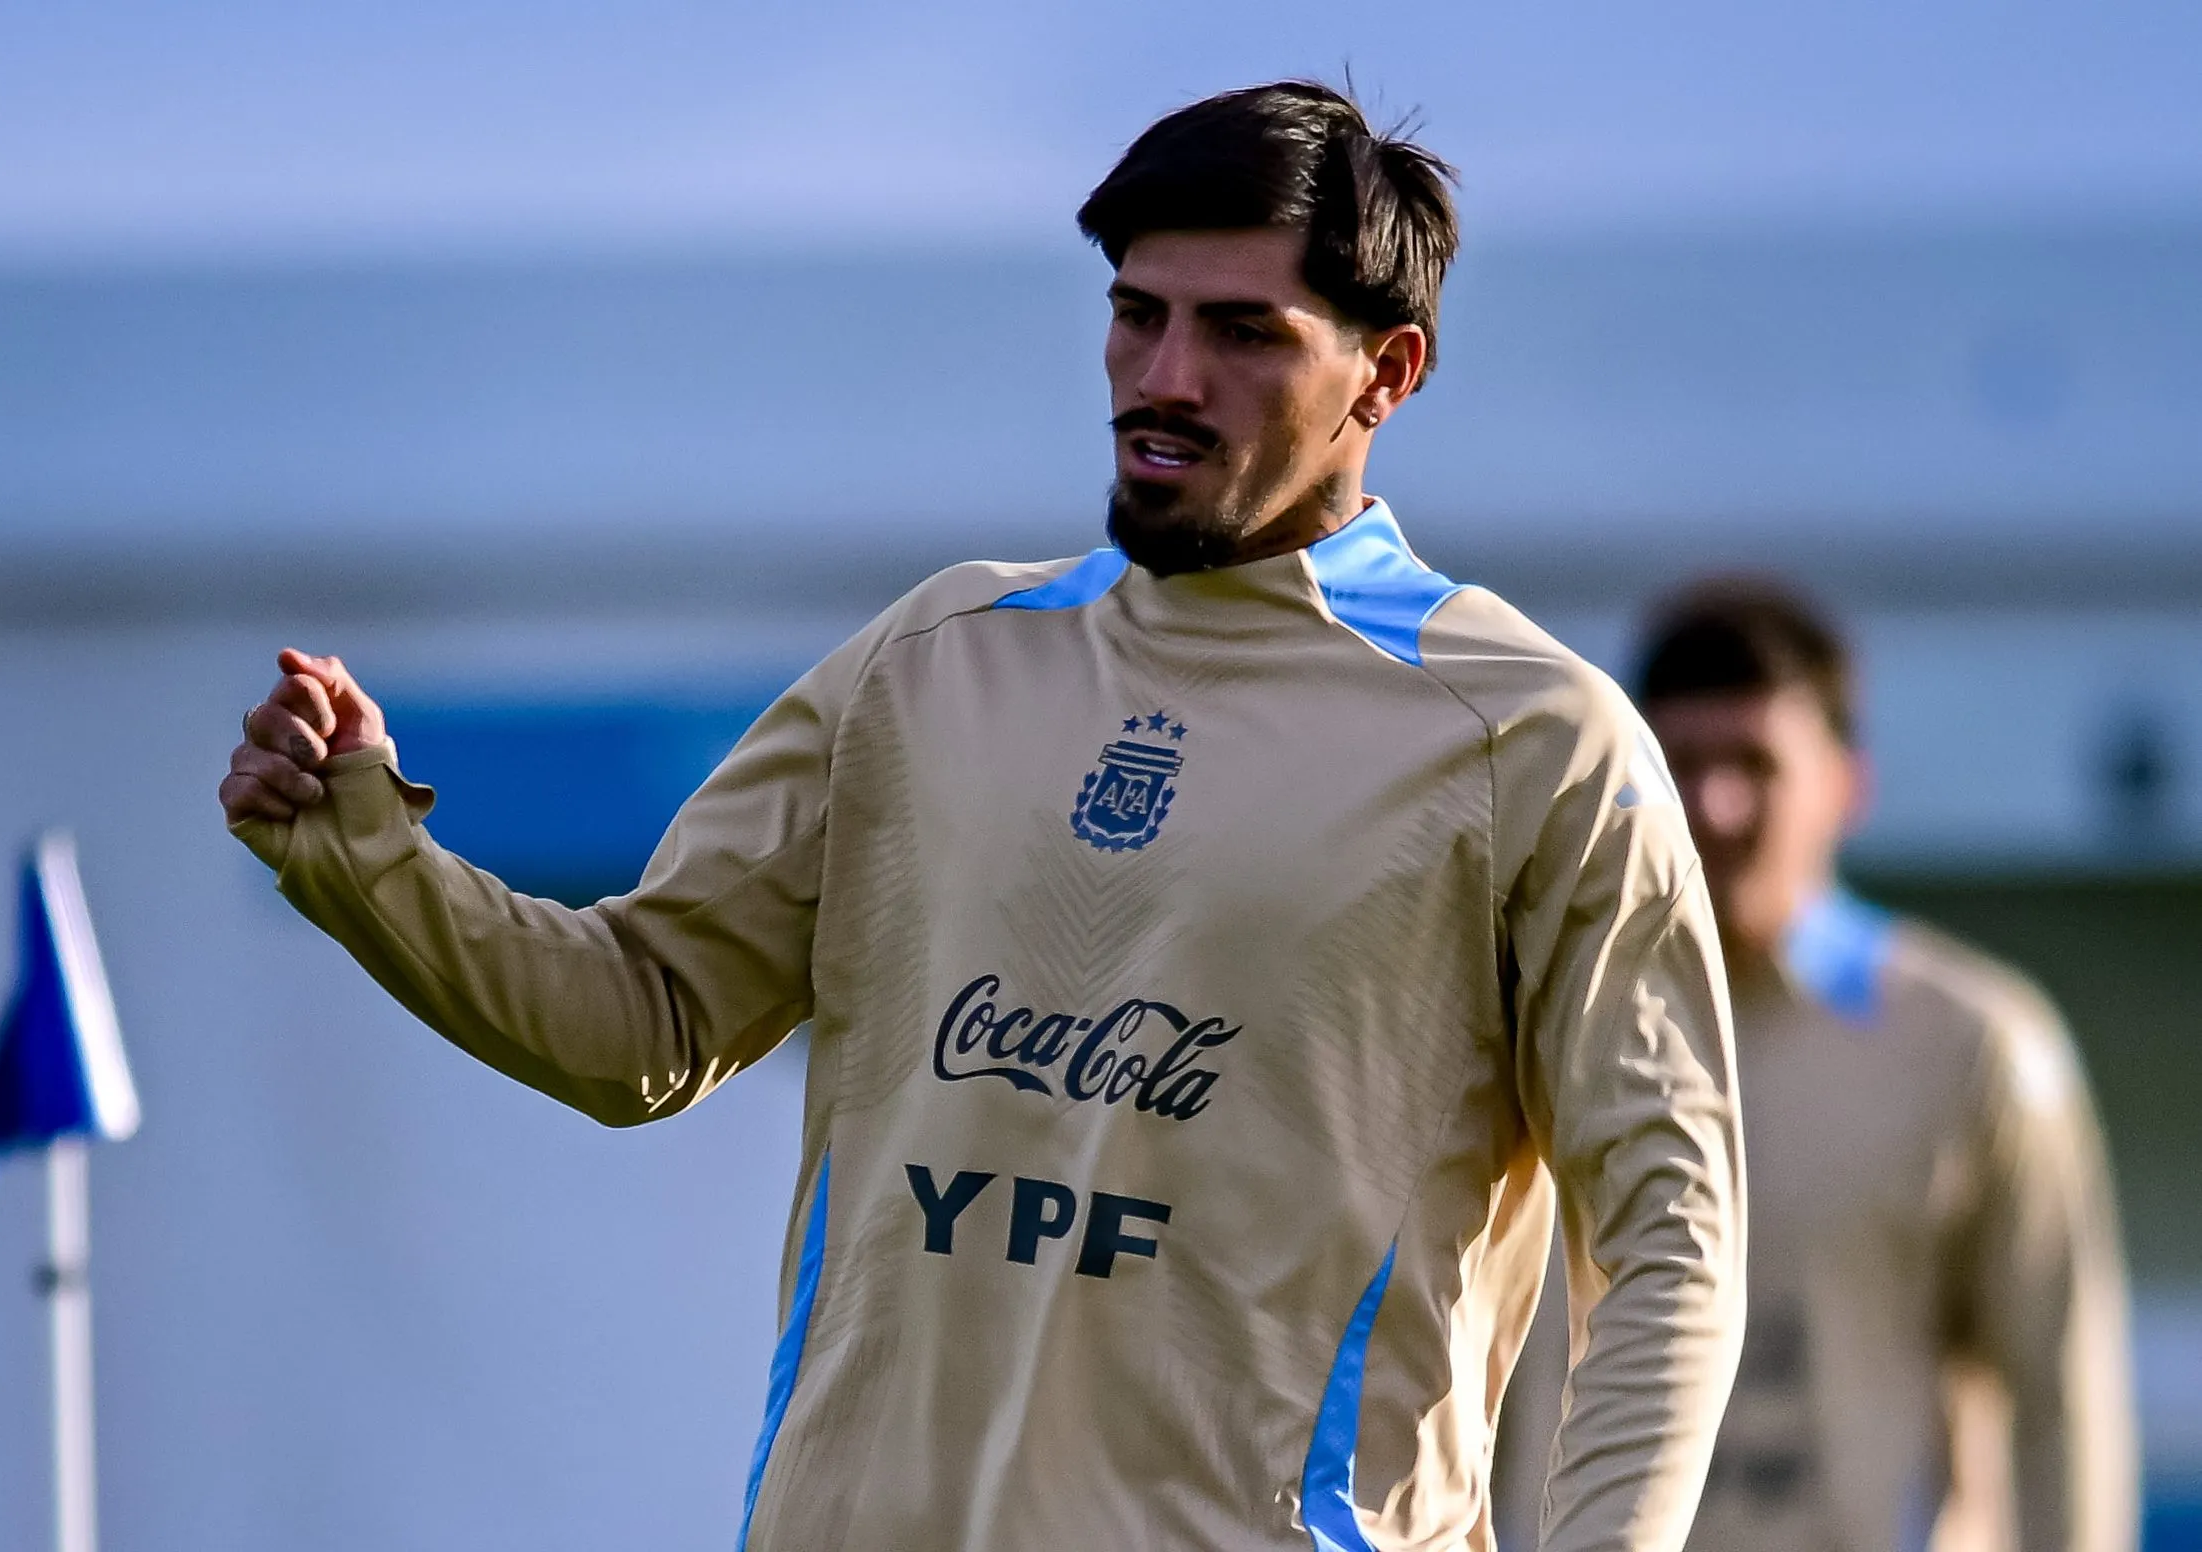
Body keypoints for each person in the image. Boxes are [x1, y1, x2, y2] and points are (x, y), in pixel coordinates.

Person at [220, 83, 1745, 1552]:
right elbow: (646, 1018)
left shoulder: (1529, 739)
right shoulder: (933, 657)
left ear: (1386, 373)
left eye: (1241, 332)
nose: (1164, 378)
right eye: (1136, 313)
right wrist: (364, 855)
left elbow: (1671, 1239)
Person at [1495, 580, 2138, 1552]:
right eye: (1684, 766)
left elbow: (2063, 1396)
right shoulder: (1538, 1029)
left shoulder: (1973, 1045)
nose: (1716, 807)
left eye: (1755, 764)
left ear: (1847, 784)